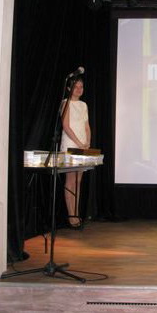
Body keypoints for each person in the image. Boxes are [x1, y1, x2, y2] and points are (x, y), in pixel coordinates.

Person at [60, 76, 91, 228]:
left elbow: (87, 126)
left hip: (83, 146)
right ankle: (71, 215)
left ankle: (76, 213)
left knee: (78, 181)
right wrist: (78, 143)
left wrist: (88, 142)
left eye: (81, 87)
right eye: (76, 87)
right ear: (69, 88)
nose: (79, 89)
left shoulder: (84, 105)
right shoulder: (65, 103)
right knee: (70, 181)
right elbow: (66, 126)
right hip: (71, 145)